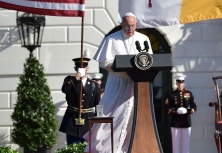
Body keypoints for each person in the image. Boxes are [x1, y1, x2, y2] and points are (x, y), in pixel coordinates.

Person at [83, 12, 153, 153]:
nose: (130, 29)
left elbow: (149, 61)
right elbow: (104, 62)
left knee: (135, 117)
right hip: (117, 83)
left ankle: (131, 148)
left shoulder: (143, 39)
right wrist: (123, 68)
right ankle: (107, 149)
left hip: (138, 85)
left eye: (133, 26)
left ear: (136, 25)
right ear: (121, 24)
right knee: (111, 113)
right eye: (127, 26)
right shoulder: (111, 39)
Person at [59, 57, 101, 145]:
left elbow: (99, 104)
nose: (81, 69)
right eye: (78, 68)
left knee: (88, 149)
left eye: (83, 67)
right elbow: (65, 89)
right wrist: (77, 76)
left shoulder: (94, 85)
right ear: (75, 68)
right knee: (73, 148)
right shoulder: (70, 80)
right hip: (72, 122)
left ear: (87, 68)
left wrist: (100, 122)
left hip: (88, 123)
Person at [165, 73, 196, 153]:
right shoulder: (171, 94)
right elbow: (167, 108)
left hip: (186, 121)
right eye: (178, 83)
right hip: (175, 122)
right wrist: (176, 111)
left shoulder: (189, 93)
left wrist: (188, 110)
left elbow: (193, 106)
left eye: (181, 83)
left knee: (186, 144)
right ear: (176, 83)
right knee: (175, 144)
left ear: (184, 83)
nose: (180, 84)